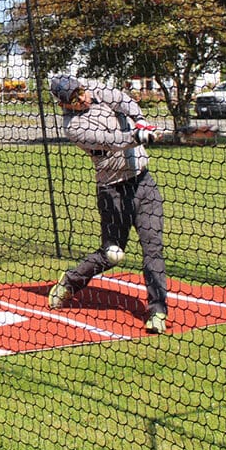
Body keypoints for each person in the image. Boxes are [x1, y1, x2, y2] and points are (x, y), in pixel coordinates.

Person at [47, 75, 168, 334]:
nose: (82, 98)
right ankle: (70, 281)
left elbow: (124, 101)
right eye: (74, 99)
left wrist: (141, 121)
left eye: (80, 92)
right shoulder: (74, 127)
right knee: (113, 254)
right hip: (112, 190)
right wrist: (139, 137)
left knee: (153, 249)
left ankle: (158, 311)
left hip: (143, 183)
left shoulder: (95, 88)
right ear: (63, 105)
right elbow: (111, 140)